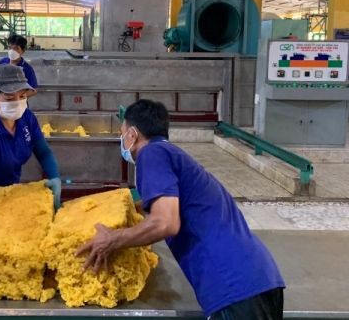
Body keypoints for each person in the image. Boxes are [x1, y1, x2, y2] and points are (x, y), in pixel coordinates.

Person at [76, 99, 285, 320]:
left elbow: (166, 222)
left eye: (122, 133)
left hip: (233, 288)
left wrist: (112, 240)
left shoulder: (151, 154)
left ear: (133, 134)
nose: (122, 139)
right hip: (261, 277)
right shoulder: (173, 154)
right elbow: (159, 204)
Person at [0, 64, 61, 234]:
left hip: (12, 197)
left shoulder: (26, 119)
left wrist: (55, 177)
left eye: (22, 96)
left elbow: (44, 153)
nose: (17, 103)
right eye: (9, 99)